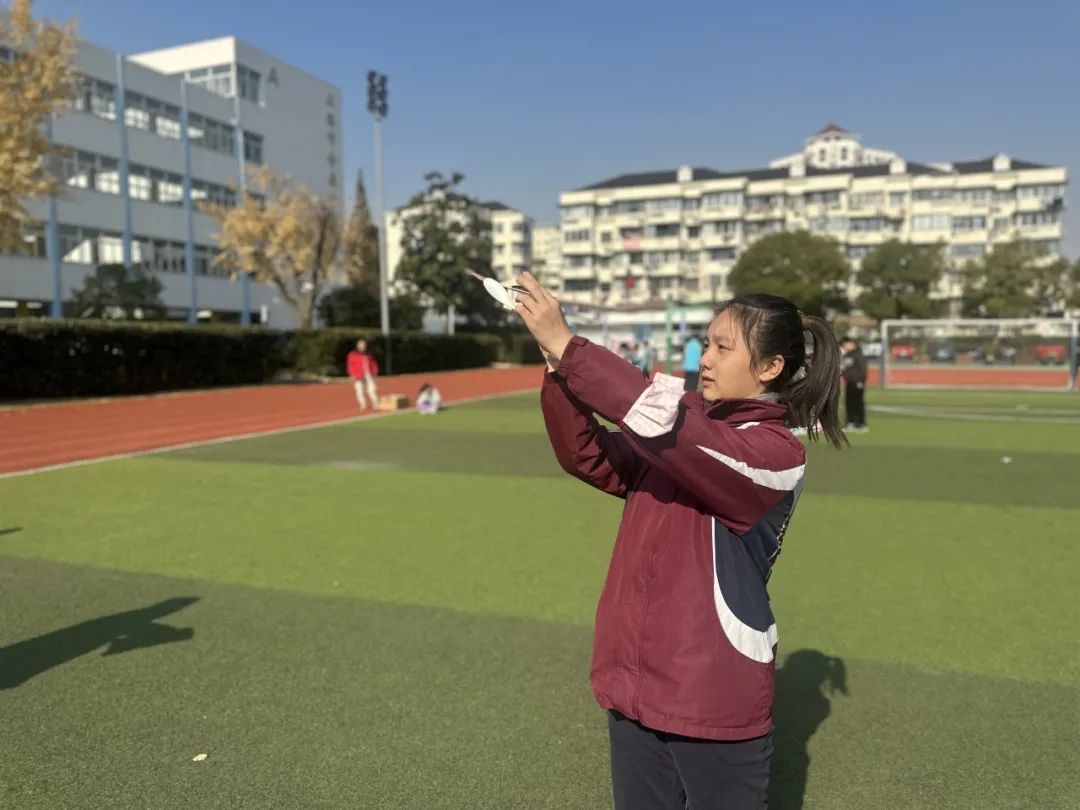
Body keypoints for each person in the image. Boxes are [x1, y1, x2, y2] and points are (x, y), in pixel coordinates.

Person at [513, 271, 846, 810]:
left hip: (710, 694)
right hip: (635, 685)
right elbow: (587, 455)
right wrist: (559, 368)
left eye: (722, 347)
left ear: (769, 368)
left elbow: (672, 432)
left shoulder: (775, 454)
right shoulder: (683, 427)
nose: (705, 358)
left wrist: (569, 346)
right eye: (707, 343)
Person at [841, 337, 868, 432]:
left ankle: (861, 424)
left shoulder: (858, 354)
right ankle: (850, 422)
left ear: (852, 344)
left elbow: (863, 369)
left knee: (858, 403)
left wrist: (861, 381)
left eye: (845, 344)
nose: (844, 346)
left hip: (857, 382)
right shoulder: (847, 355)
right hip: (849, 382)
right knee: (849, 403)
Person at [346, 339, 379, 410]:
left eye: (363, 346)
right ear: (357, 346)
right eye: (360, 345)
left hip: (368, 374)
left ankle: (375, 403)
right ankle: (363, 404)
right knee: (360, 391)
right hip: (358, 375)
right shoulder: (352, 355)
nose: (362, 347)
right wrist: (351, 374)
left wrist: (375, 371)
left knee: (372, 389)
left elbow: (373, 363)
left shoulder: (368, 354)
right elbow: (350, 365)